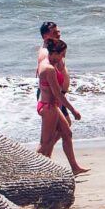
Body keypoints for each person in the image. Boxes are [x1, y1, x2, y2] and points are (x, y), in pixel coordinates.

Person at [36, 33, 87, 176]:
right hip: (48, 107)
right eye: (62, 54)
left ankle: (74, 168)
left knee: (67, 132)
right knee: (45, 143)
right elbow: (57, 94)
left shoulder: (52, 64)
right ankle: (34, 169)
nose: (63, 57)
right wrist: (73, 110)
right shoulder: (49, 69)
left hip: (53, 107)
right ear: (54, 53)